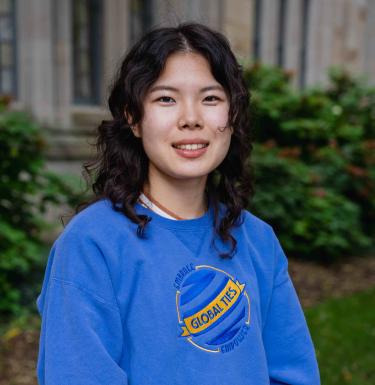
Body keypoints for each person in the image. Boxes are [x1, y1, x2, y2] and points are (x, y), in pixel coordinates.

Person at [36, 22, 320, 385]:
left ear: (232, 117)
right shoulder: (91, 246)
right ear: (134, 118)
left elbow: (293, 374)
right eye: (166, 99)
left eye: (211, 98)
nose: (191, 119)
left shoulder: (258, 240)